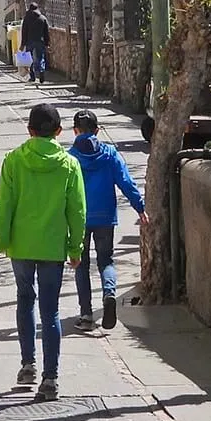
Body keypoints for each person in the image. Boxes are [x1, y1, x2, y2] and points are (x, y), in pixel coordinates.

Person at [0, 102, 86, 402]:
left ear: (29, 130)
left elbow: (4, 206)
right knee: (51, 310)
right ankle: (50, 378)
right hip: (52, 247)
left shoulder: (13, 161)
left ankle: (28, 364)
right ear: (58, 131)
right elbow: (77, 212)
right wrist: (75, 247)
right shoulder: (69, 165)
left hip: (21, 245)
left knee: (24, 300)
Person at [69, 109, 148, 332]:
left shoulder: (70, 157)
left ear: (75, 131)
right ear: (97, 130)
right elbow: (125, 181)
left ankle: (85, 314)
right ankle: (110, 293)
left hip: (79, 219)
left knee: (80, 264)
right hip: (105, 217)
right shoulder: (110, 153)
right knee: (106, 260)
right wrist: (140, 208)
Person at [20, 1, 50, 84]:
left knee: (29, 59)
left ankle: (32, 76)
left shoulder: (26, 18)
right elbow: (46, 32)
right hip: (40, 41)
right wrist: (47, 44)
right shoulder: (43, 18)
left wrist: (22, 44)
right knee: (40, 58)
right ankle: (41, 72)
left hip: (29, 41)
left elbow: (24, 31)